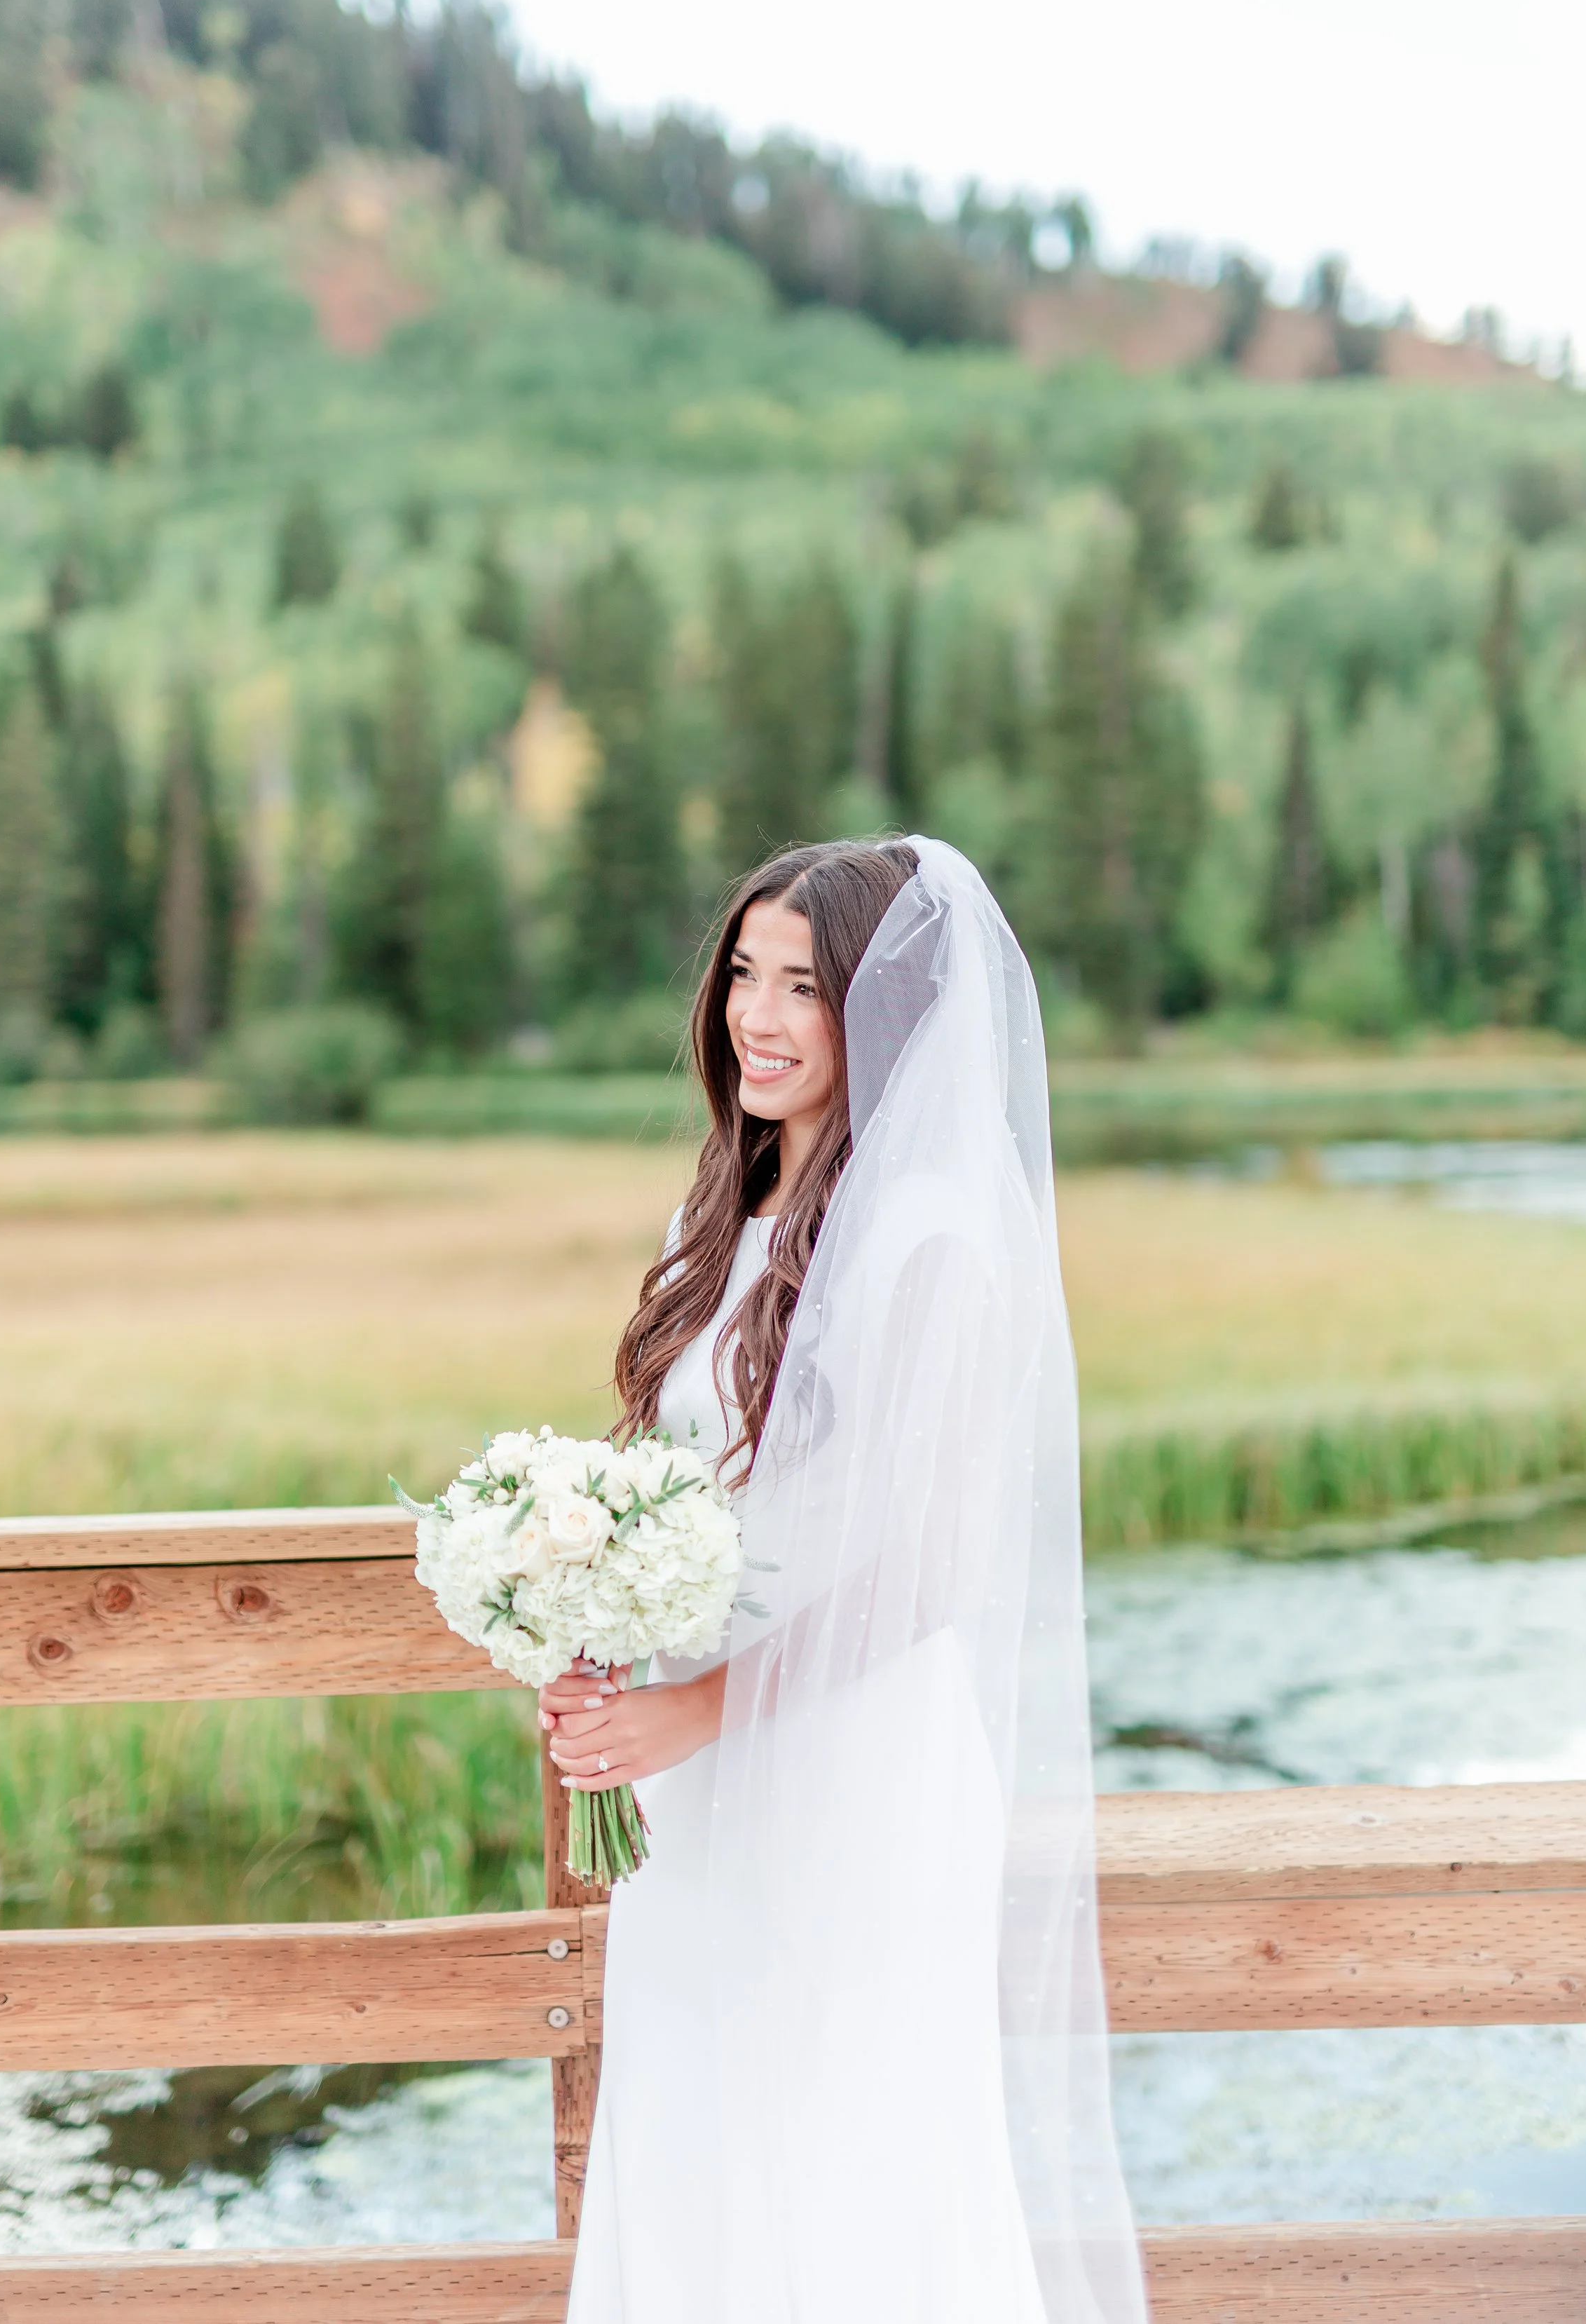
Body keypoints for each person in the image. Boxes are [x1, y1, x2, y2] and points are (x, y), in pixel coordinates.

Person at [542, 837, 1144, 2324]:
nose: (756, 1014)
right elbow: (687, 1490)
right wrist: (596, 1624)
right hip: (698, 1783)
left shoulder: (935, 1237)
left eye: (803, 987)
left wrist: (695, 1712)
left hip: (851, 1760)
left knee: (847, 2148)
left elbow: (930, 1564)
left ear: (882, 1011)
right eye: (743, 975)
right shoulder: (712, 1222)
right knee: (696, 2136)